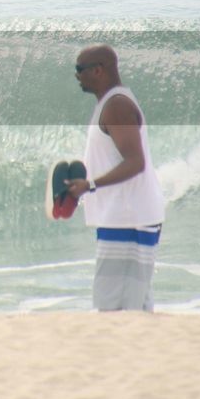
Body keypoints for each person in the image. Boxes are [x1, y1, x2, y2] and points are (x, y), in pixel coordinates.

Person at [65, 45, 165, 312]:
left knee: (115, 309)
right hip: (127, 216)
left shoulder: (117, 106)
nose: (76, 77)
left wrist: (91, 185)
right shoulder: (110, 103)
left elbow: (136, 162)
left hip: (129, 219)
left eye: (79, 70)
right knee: (135, 307)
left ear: (98, 70)